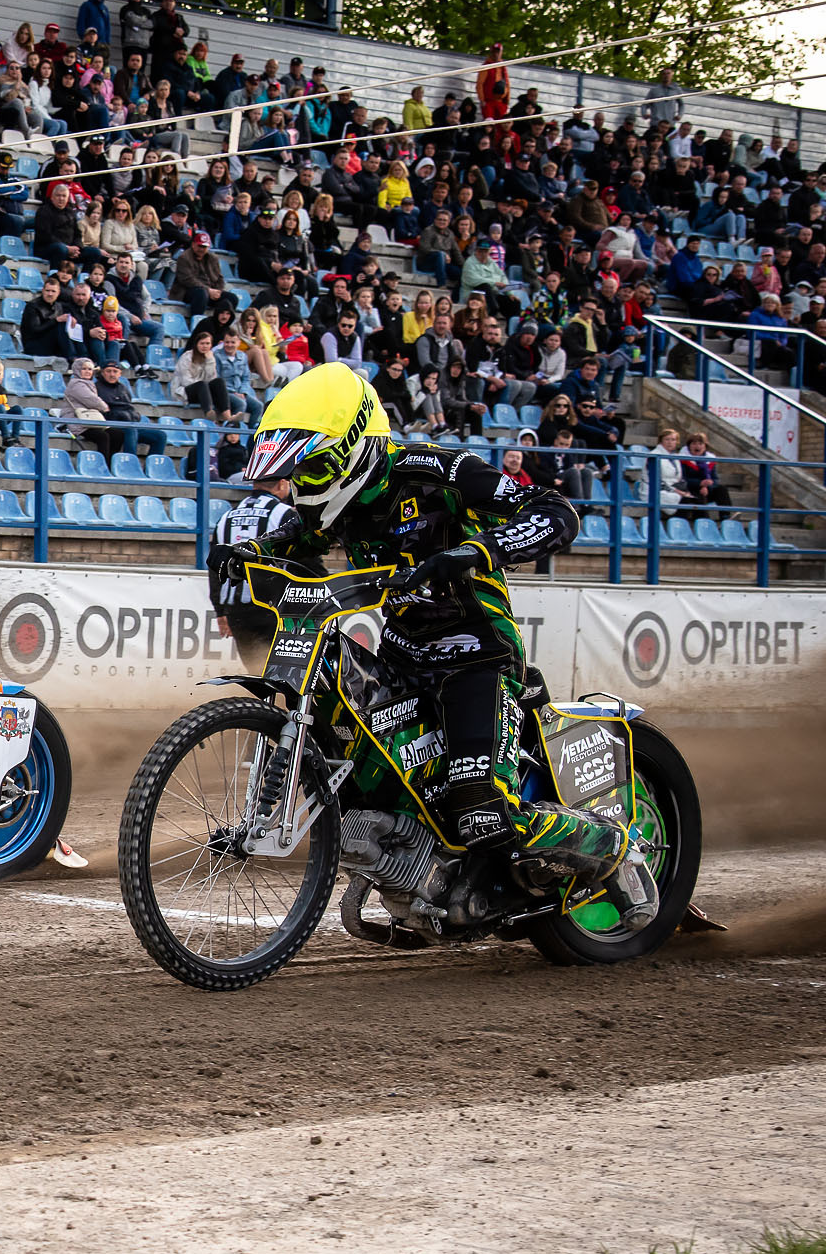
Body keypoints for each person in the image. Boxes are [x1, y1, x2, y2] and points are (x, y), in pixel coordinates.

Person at [235, 362, 657, 925]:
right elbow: (302, 532)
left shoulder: (440, 473)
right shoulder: (343, 503)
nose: (300, 490)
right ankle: (412, 866)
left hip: (477, 653)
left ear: (352, 450)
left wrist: (477, 550)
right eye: (294, 478)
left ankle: (613, 848)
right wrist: (255, 548)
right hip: (403, 654)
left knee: (479, 807)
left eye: (310, 472)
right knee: (358, 767)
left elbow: (557, 512)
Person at [207, 469, 297, 670]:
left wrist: (220, 611)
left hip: (236, 608)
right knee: (285, 671)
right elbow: (306, 562)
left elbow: (215, 567)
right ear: (282, 483)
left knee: (257, 671)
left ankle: (261, 702)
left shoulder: (226, 517)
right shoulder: (285, 514)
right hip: (273, 607)